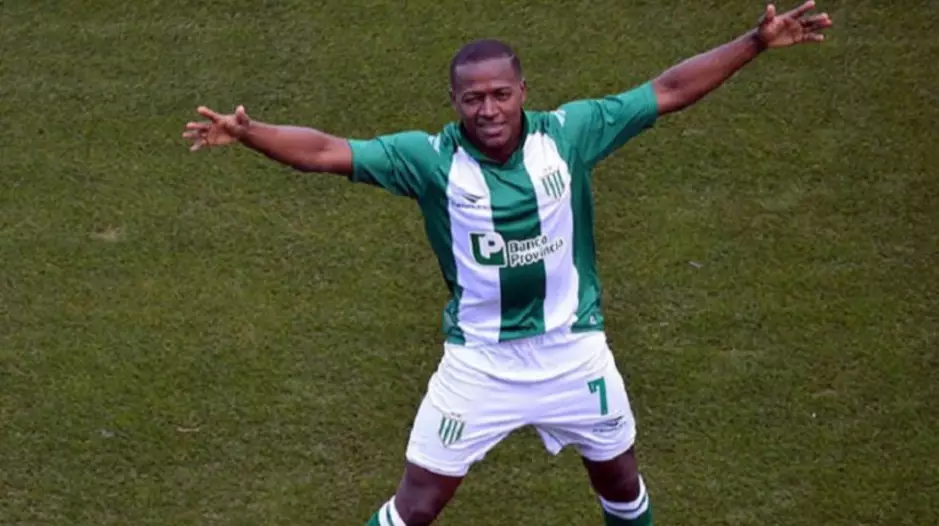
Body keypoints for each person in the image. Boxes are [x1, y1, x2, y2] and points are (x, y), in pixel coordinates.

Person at [183, 3, 832, 524]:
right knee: (417, 506)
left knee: (621, 484)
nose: (487, 109)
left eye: (500, 94)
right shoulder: (429, 160)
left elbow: (666, 90)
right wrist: (250, 133)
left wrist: (754, 41)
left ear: (523, 91)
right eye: (472, 98)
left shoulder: (569, 135)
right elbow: (328, 152)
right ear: (453, 100)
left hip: (573, 351)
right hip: (480, 364)